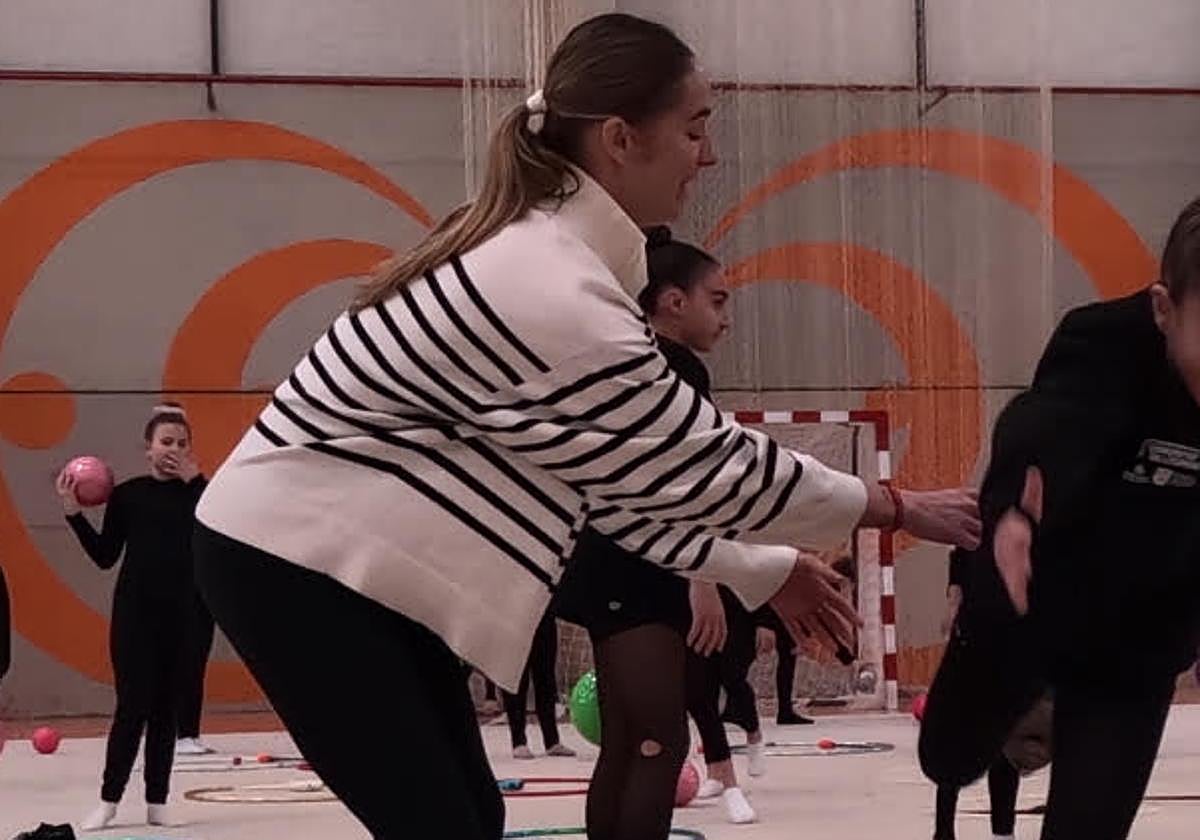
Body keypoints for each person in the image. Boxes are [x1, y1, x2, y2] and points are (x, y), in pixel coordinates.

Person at [190, 13, 979, 840]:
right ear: (619, 139)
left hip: (321, 565)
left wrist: (762, 569)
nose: (708, 155)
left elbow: (611, 495)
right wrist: (892, 505)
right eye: (694, 129)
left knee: (467, 816)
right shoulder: (550, 287)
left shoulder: (553, 259)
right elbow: (707, 465)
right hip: (292, 562)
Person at [920, 195, 1200, 840]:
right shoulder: (1103, 343)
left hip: (1143, 630)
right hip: (1037, 594)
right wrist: (1015, 514)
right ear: (1164, 309)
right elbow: (1039, 431)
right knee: (949, 758)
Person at [554, 230, 763, 830]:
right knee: (658, 742)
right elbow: (682, 480)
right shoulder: (672, 370)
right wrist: (703, 576)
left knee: (628, 742)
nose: (725, 318)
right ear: (673, 302)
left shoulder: (625, 362)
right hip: (637, 568)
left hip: (606, 561)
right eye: (716, 301)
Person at [56, 404, 207, 831]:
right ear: (148, 448)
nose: (173, 449)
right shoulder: (128, 496)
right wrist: (73, 514)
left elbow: (218, 530)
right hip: (135, 617)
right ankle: (109, 800)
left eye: (181, 443)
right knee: (132, 708)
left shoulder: (200, 496)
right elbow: (105, 556)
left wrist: (197, 481)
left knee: (165, 714)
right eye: (165, 441)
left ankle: (158, 801)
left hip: (182, 616)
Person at [930, 548, 1021, 840]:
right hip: (972, 648)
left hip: (1006, 649)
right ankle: (945, 831)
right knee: (956, 744)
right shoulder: (968, 546)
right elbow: (954, 598)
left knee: (1003, 746)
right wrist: (953, 612)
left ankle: (1002, 832)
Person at [501, 612, 574, 759]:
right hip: (515, 618)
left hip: (543, 616)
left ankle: (552, 741)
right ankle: (518, 741)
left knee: (546, 677)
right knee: (517, 678)